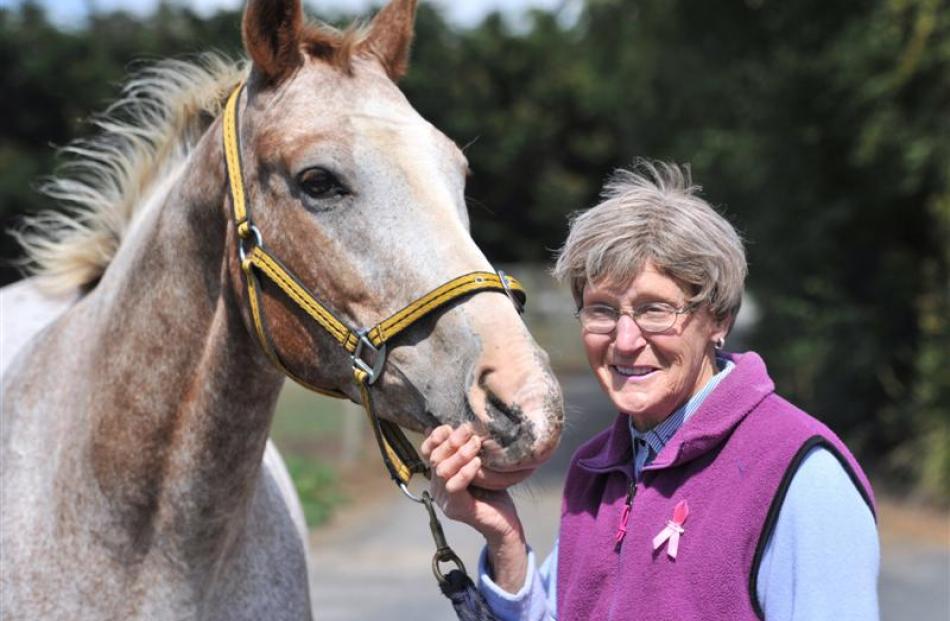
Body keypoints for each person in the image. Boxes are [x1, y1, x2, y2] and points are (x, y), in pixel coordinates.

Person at [421, 160, 879, 621]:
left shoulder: (802, 474)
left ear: (718, 320)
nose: (624, 340)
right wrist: (505, 540)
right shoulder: (594, 472)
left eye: (655, 310)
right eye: (601, 310)